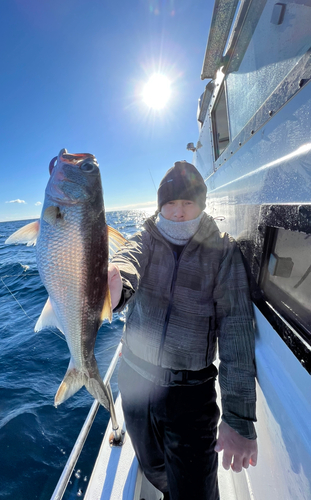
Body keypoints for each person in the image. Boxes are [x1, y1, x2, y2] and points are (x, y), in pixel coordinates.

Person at [107, 161, 258, 500]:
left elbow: (236, 332)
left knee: (195, 491)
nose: (177, 212)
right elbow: (128, 260)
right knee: (153, 468)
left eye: (186, 203)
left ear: (201, 205)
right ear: (160, 206)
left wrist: (238, 416)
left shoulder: (223, 250)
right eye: (170, 204)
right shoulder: (146, 237)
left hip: (190, 396)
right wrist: (114, 284)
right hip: (135, 383)